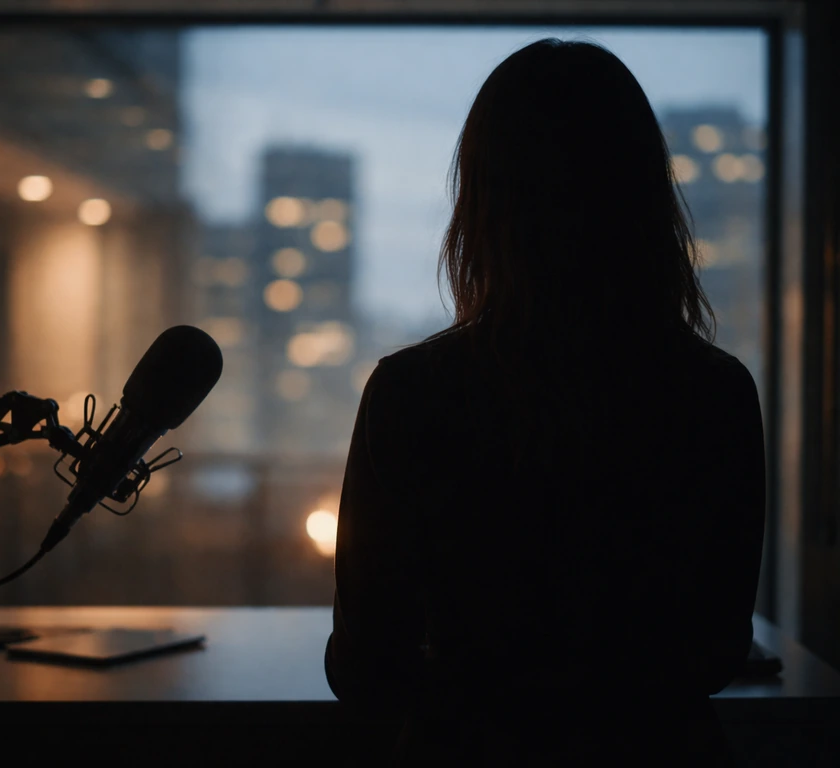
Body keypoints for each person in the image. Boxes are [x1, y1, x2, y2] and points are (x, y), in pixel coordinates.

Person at [324, 38, 765, 766]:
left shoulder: (411, 393)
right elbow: (716, 651)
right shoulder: (714, 392)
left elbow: (367, 671)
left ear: (483, 201)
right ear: (645, 196)